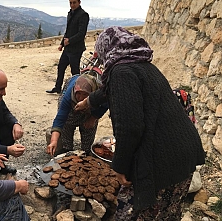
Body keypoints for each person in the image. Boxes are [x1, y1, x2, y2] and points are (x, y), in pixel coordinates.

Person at [74, 26, 205, 220]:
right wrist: (90, 101)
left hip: (161, 161)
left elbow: (130, 128)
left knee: (131, 214)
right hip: (185, 154)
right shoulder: (140, 64)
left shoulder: (120, 73)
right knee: (168, 214)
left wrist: (119, 167)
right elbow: (112, 90)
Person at [46, 74, 109, 156]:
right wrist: (54, 141)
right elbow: (60, 119)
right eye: (78, 94)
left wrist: (93, 118)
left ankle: (86, 151)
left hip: (92, 104)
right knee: (68, 123)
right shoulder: (68, 97)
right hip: (71, 105)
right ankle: (67, 149)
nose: (80, 97)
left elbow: (106, 104)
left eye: (85, 94)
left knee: (88, 127)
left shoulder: (101, 92)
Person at [46, 0, 89, 94]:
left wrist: (69, 41)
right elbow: (67, 31)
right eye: (70, 3)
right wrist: (62, 43)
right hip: (67, 48)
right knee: (61, 67)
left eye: (74, 2)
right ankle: (58, 87)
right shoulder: (70, 13)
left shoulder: (83, 15)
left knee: (75, 71)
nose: (72, 5)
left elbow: (81, 34)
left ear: (79, 2)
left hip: (76, 48)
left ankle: (76, 91)